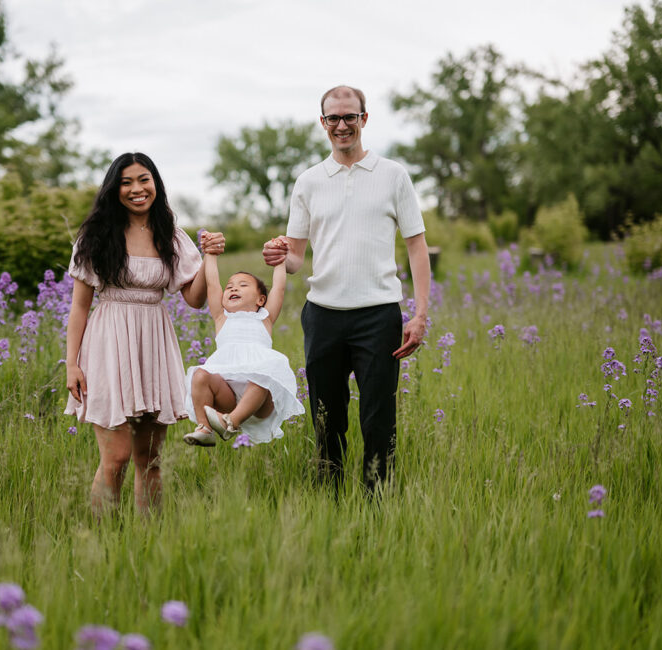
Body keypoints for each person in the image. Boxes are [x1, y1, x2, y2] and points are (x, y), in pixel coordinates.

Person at [262, 85, 432, 494]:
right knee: (327, 416)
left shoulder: (393, 175)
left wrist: (420, 314)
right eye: (333, 118)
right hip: (323, 314)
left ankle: (378, 502)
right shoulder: (308, 182)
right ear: (323, 124)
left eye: (349, 117)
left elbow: (416, 246)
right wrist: (278, 255)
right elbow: (297, 259)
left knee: (378, 418)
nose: (341, 125)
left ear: (364, 120)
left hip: (379, 314)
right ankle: (331, 499)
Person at [64, 152, 223, 516]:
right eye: (126, 182)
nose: (137, 189)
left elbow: (194, 299)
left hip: (153, 340)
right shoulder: (97, 235)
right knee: (116, 457)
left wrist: (208, 256)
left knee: (149, 458)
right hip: (108, 342)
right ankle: (100, 540)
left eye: (144, 180)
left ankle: (148, 540)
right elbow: (79, 307)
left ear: (156, 184)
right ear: (114, 189)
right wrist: (71, 364)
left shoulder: (171, 234)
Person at [182, 233, 304, 446]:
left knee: (264, 372)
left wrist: (280, 261)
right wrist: (210, 253)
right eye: (229, 286)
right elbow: (212, 284)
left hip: (259, 397)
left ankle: (231, 422)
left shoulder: (264, 318)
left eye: (242, 285)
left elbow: (279, 288)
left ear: (261, 299)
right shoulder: (222, 317)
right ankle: (205, 427)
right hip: (227, 395)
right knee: (200, 374)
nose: (233, 288)